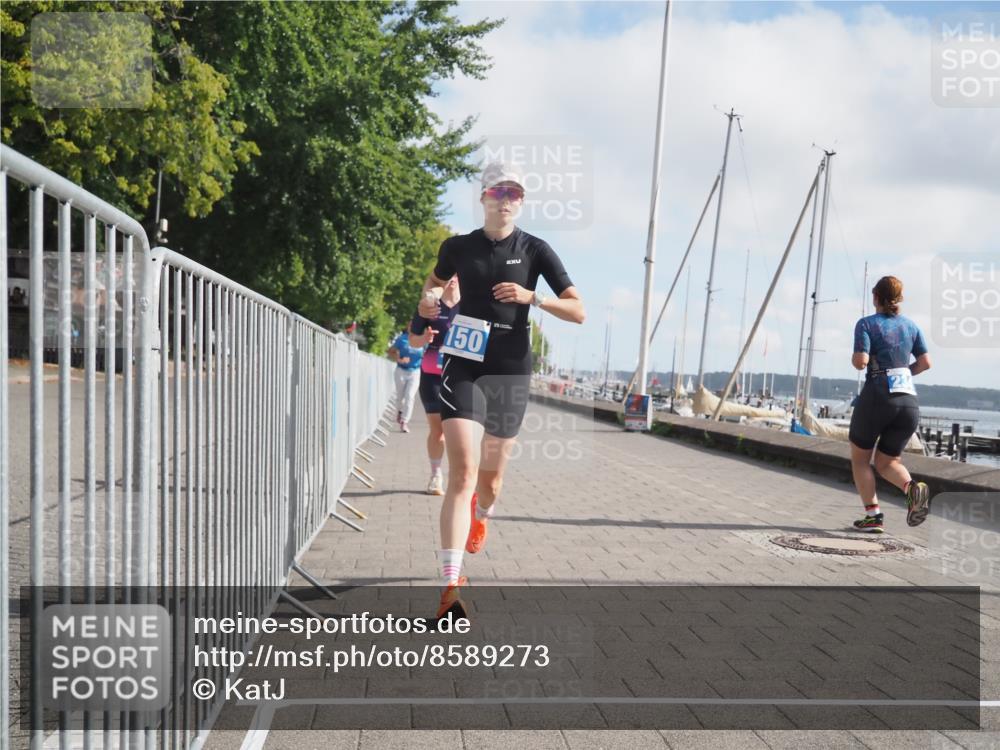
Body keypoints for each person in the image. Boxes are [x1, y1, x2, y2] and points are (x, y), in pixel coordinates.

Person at [417, 162, 585, 619]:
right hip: (464, 363)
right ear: (483, 197)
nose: (507, 199)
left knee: (489, 481)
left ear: (521, 201)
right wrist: (429, 301)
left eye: (515, 193)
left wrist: (534, 298)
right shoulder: (458, 247)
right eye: (498, 191)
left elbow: (578, 311)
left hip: (510, 367)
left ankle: (483, 515)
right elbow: (433, 286)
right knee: (463, 473)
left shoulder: (536, 249)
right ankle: (450, 587)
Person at [848, 276, 932, 533]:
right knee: (888, 461)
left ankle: (873, 516)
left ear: (875, 296)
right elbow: (925, 363)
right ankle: (912, 489)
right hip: (908, 401)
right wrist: (901, 372)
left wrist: (861, 360)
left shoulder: (867, 324)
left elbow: (861, 362)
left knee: (860, 459)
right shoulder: (911, 326)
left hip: (878, 395)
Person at [408, 274, 461, 495]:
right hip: (432, 376)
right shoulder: (430, 305)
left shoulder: (472, 304)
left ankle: (461, 477)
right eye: (450, 273)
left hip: (461, 377)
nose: (454, 277)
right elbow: (413, 339)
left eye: (458, 273)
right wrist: (425, 339)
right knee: (438, 431)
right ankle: (436, 475)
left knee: (458, 432)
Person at [387, 327, 425, 433]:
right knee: (400, 397)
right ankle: (400, 411)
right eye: (411, 326)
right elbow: (390, 352)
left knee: (410, 396)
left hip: (415, 372)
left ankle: (404, 422)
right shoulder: (402, 339)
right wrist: (399, 359)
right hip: (401, 371)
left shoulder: (423, 340)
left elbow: (427, 355)